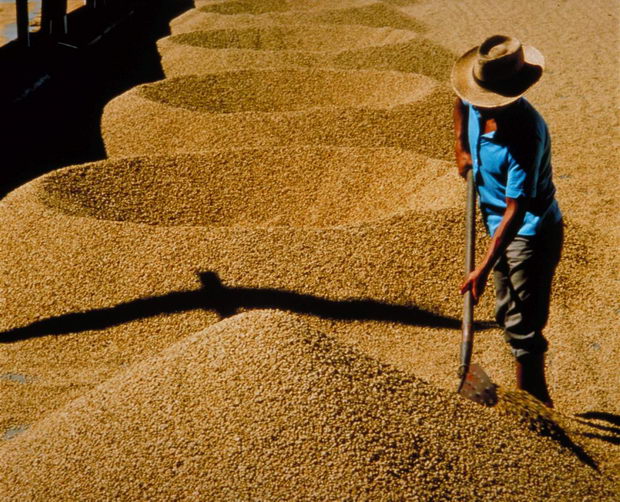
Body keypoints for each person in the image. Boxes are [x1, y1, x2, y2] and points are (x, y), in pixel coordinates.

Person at [451, 35, 563, 407]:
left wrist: (482, 267)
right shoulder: (476, 98)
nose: (480, 107)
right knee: (506, 308)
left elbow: (517, 211)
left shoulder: (525, 135)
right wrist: (462, 148)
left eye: (488, 104)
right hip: (495, 220)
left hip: (527, 233)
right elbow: (461, 102)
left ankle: (535, 402)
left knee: (521, 322)